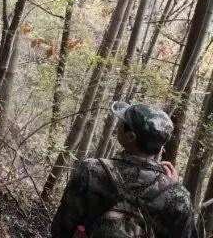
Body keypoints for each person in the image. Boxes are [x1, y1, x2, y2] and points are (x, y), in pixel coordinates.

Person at [51, 101, 197, 238]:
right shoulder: (179, 197)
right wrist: (173, 189)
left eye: (123, 122)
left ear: (130, 136)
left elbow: (60, 229)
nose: (119, 124)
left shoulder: (91, 170)